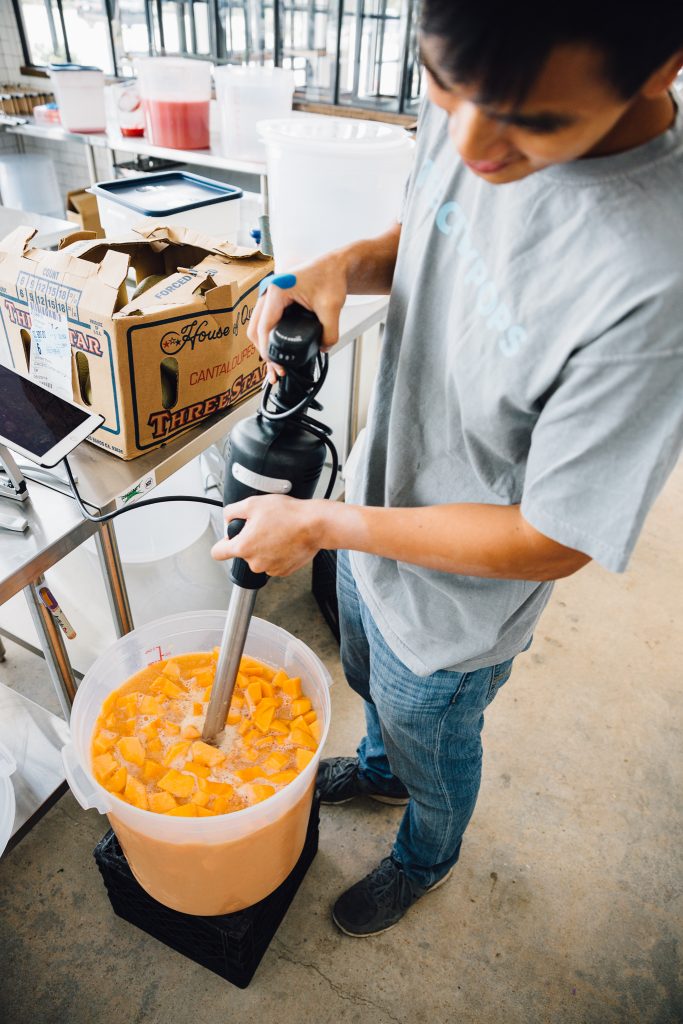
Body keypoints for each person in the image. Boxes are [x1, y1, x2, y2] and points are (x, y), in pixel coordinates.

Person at [212, 1, 683, 936]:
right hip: (373, 520)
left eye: (532, 123)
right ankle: (383, 772)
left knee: (433, 731)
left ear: (663, 66)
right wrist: (343, 263)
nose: (472, 144)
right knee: (370, 688)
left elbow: (553, 539)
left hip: (457, 608)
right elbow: (435, 233)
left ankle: (426, 850)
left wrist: (321, 525)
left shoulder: (651, 278)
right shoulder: (484, 77)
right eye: (441, 87)